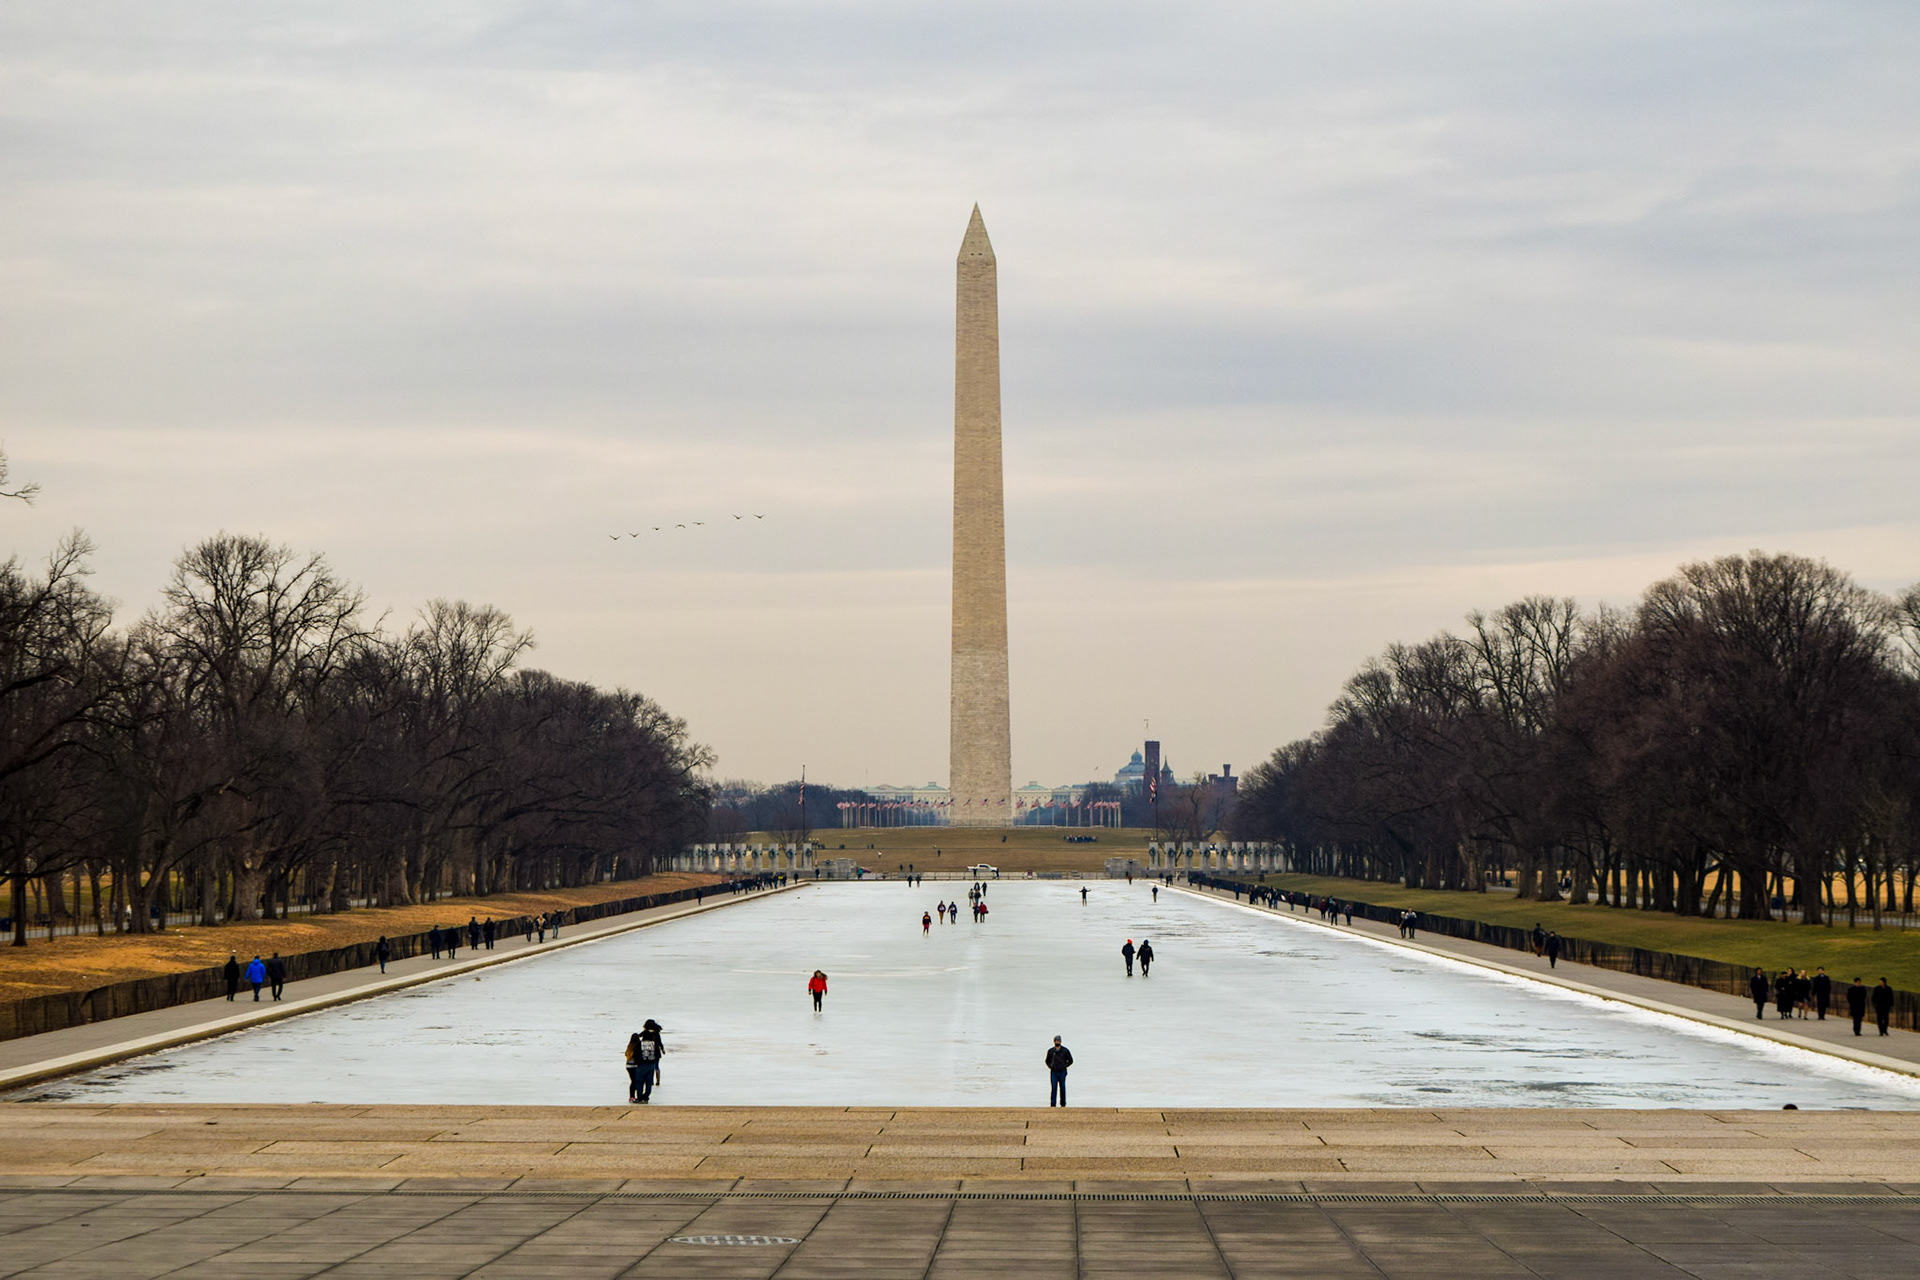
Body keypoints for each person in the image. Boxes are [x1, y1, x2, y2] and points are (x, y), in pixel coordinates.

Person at [635, 1019, 663, 1100]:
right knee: (656, 1067)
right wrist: (662, 1049)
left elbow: (638, 1037)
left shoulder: (644, 1035)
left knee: (640, 1079)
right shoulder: (656, 1034)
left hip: (643, 1060)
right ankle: (657, 1081)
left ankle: (640, 1096)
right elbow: (660, 1042)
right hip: (654, 1057)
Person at [1045, 1035, 1073, 1107]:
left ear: (1060, 1041)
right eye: (1056, 1041)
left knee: (1062, 1088)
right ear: (1054, 1041)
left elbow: (1071, 1060)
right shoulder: (1051, 1051)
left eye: (1058, 1041)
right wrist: (1050, 1066)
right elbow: (1047, 1060)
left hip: (1062, 1072)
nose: (1057, 1042)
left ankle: (1063, 1104)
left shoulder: (1065, 1050)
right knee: (1054, 1087)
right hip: (1054, 1072)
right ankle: (1053, 1104)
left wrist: (1064, 1066)